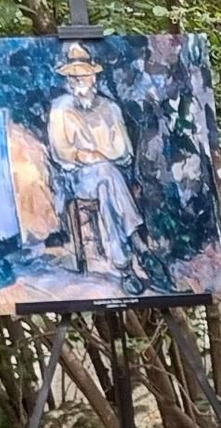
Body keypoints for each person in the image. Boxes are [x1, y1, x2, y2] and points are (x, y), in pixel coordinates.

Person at [46, 43, 148, 285]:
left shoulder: (110, 108)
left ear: (93, 77)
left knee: (106, 179)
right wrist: (93, 156)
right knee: (106, 174)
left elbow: (124, 151)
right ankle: (135, 241)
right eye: (72, 76)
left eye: (81, 75)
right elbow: (61, 152)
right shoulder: (59, 109)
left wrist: (94, 155)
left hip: (107, 176)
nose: (75, 80)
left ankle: (122, 263)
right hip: (76, 179)